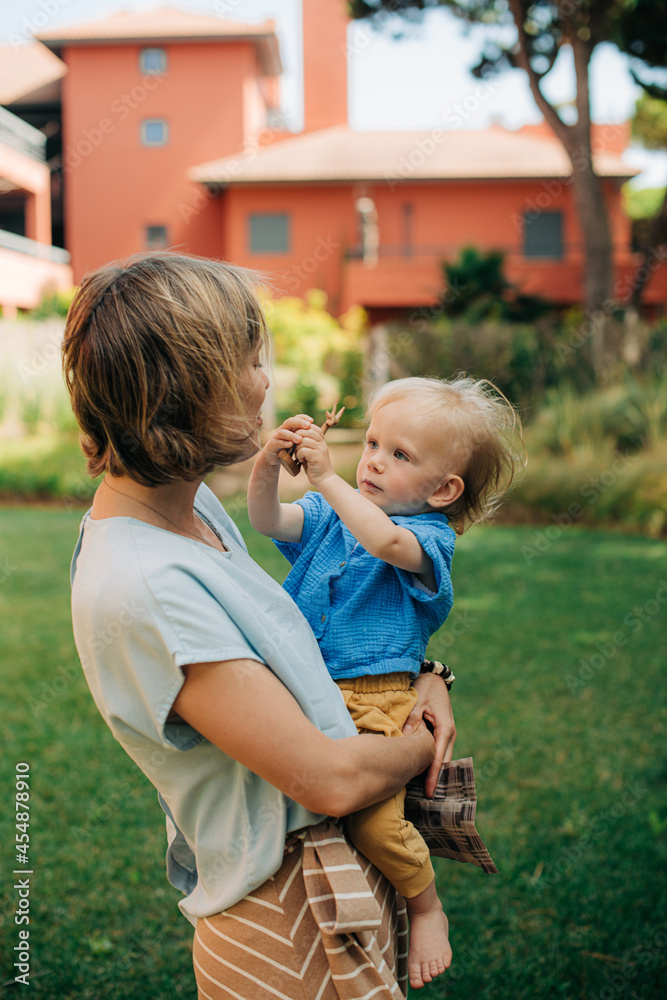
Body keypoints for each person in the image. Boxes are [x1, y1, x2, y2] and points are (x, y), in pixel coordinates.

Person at [63, 251, 457, 1000]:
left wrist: (427, 678)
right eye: (249, 361)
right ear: (193, 386)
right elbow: (328, 779)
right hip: (282, 920)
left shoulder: (191, 509)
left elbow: (298, 652)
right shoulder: (142, 585)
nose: (264, 381)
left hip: (328, 882)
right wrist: (420, 744)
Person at [248, 375, 519, 990]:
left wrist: (327, 479)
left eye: (399, 455)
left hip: (378, 700)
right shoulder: (327, 514)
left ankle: (426, 906)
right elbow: (269, 519)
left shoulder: (427, 539)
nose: (372, 460)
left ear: (443, 489)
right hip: (303, 685)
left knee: (374, 822)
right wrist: (269, 462)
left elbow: (382, 537)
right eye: (371, 443)